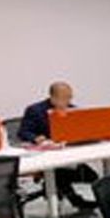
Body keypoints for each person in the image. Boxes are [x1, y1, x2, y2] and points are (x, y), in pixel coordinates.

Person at [18, 82, 98, 210]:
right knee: (59, 175)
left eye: (69, 97)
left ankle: (102, 203)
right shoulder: (35, 110)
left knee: (92, 176)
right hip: (45, 157)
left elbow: (83, 130)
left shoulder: (73, 110)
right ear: (53, 97)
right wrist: (35, 138)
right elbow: (23, 132)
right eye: (64, 98)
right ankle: (75, 201)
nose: (68, 101)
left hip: (67, 156)